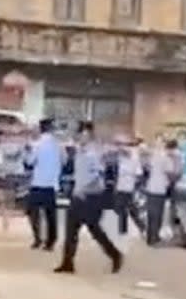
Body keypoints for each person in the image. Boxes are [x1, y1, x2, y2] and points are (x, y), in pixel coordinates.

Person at [56, 121, 123, 274]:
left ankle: (115, 255)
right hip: (77, 196)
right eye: (79, 134)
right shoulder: (80, 152)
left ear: (89, 135)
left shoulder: (93, 154)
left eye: (83, 134)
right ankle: (67, 262)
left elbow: (98, 177)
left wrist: (84, 190)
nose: (80, 137)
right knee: (70, 231)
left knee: (95, 230)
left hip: (90, 198)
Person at [27, 117, 61, 250]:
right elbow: (63, 161)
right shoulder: (58, 145)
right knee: (50, 214)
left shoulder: (37, 144)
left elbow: (30, 162)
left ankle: (37, 239)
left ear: (41, 129)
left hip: (38, 182)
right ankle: (51, 241)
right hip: (52, 184)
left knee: (33, 212)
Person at [144, 137, 181, 247]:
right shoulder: (167, 158)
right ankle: (154, 238)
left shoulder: (155, 155)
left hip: (150, 186)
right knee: (157, 214)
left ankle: (150, 237)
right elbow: (171, 174)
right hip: (160, 188)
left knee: (151, 214)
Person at [113, 134, 143, 236]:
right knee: (120, 208)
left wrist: (135, 186)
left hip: (129, 186)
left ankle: (140, 226)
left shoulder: (134, 156)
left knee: (129, 209)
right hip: (121, 185)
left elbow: (139, 174)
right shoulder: (121, 157)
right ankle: (124, 229)